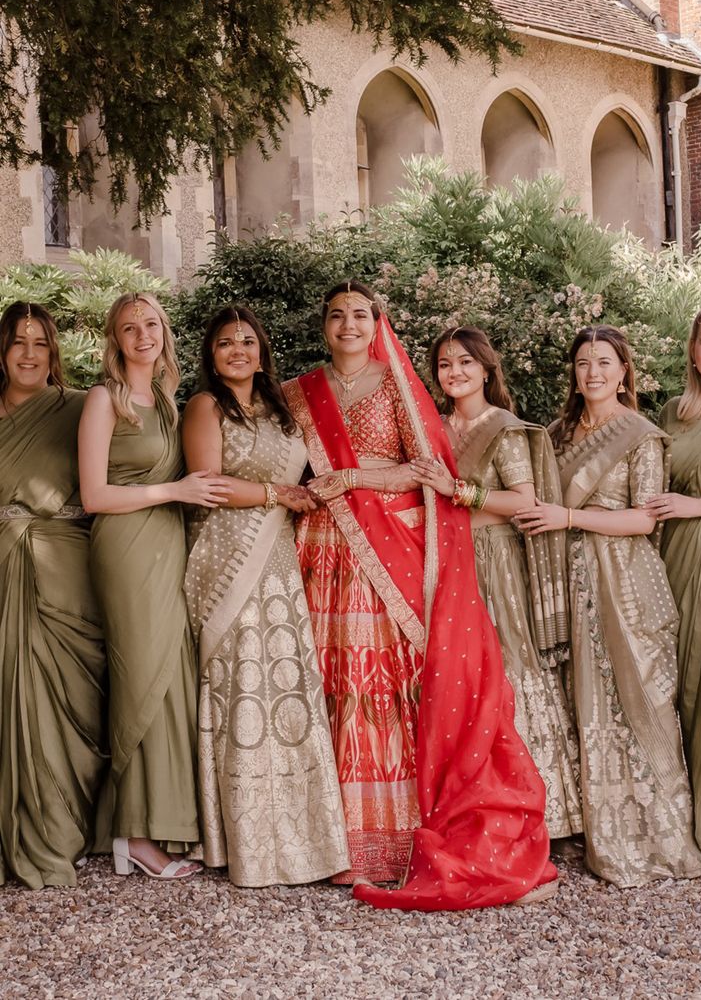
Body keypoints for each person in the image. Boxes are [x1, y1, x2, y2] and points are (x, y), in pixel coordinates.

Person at [284, 280, 557, 910]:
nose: (347, 324)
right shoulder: (300, 391)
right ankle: (335, 841)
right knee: (331, 680)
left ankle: (400, 838)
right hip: (323, 548)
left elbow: (425, 467)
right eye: (336, 315)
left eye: (359, 314)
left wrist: (351, 477)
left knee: (390, 680)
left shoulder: (396, 383)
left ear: (376, 321)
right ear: (323, 325)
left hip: (390, 544)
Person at [515, 325, 701, 887]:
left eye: (604, 362)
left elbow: (646, 520)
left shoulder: (642, 435)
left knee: (636, 700)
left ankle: (654, 839)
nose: (592, 373)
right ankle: (591, 829)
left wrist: (569, 518)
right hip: (564, 582)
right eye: (582, 364)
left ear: (624, 371)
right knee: (576, 700)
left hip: (621, 582)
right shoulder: (555, 433)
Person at [182, 306, 349, 886]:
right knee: (242, 683)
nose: (237, 351)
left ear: (261, 350)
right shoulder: (205, 406)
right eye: (226, 342)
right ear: (211, 353)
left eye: (247, 342)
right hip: (227, 553)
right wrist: (278, 491)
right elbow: (208, 485)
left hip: (278, 555)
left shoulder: (283, 408)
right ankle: (245, 841)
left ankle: (303, 839)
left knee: (284, 683)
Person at [79, 292, 229, 880]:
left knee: (172, 680)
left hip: (169, 543)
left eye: (151, 324)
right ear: (115, 340)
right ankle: (132, 834)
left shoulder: (169, 401)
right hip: (125, 544)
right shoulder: (104, 400)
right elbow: (94, 496)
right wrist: (174, 491)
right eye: (128, 327)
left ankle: (164, 824)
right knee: (141, 676)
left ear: (164, 332)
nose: (142, 335)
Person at [411, 326, 581, 840]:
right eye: (444, 364)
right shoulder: (434, 427)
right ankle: (471, 805)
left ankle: (539, 812)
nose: (455, 372)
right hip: (444, 561)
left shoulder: (502, 428)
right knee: (455, 674)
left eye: (465, 362)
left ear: (486, 369)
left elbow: (524, 503)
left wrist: (457, 492)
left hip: (493, 562)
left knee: (506, 669)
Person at [0, 302, 107, 889]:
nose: (30, 354)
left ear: (55, 351)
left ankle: (66, 827)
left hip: (65, 565)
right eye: (19, 342)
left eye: (41, 343)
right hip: (1, 566)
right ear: (2, 350)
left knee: (72, 700)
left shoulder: (79, 407)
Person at [645, 303, 701, 872]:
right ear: (693, 350)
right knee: (680, 685)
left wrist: (697, 506)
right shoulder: (675, 412)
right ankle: (680, 819)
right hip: (672, 561)